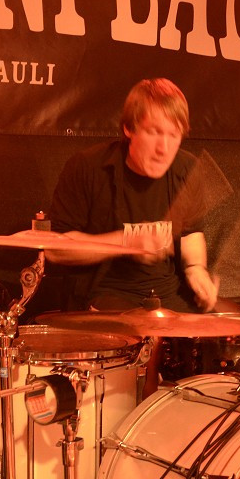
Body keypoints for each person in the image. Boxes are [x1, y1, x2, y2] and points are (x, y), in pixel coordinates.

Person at [47, 78, 219, 313]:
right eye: (154, 132)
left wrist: (196, 270)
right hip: (103, 297)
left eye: (173, 135)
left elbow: (191, 234)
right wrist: (127, 241)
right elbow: (55, 249)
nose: (164, 148)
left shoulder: (187, 170)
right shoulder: (86, 168)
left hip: (168, 297)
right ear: (129, 128)